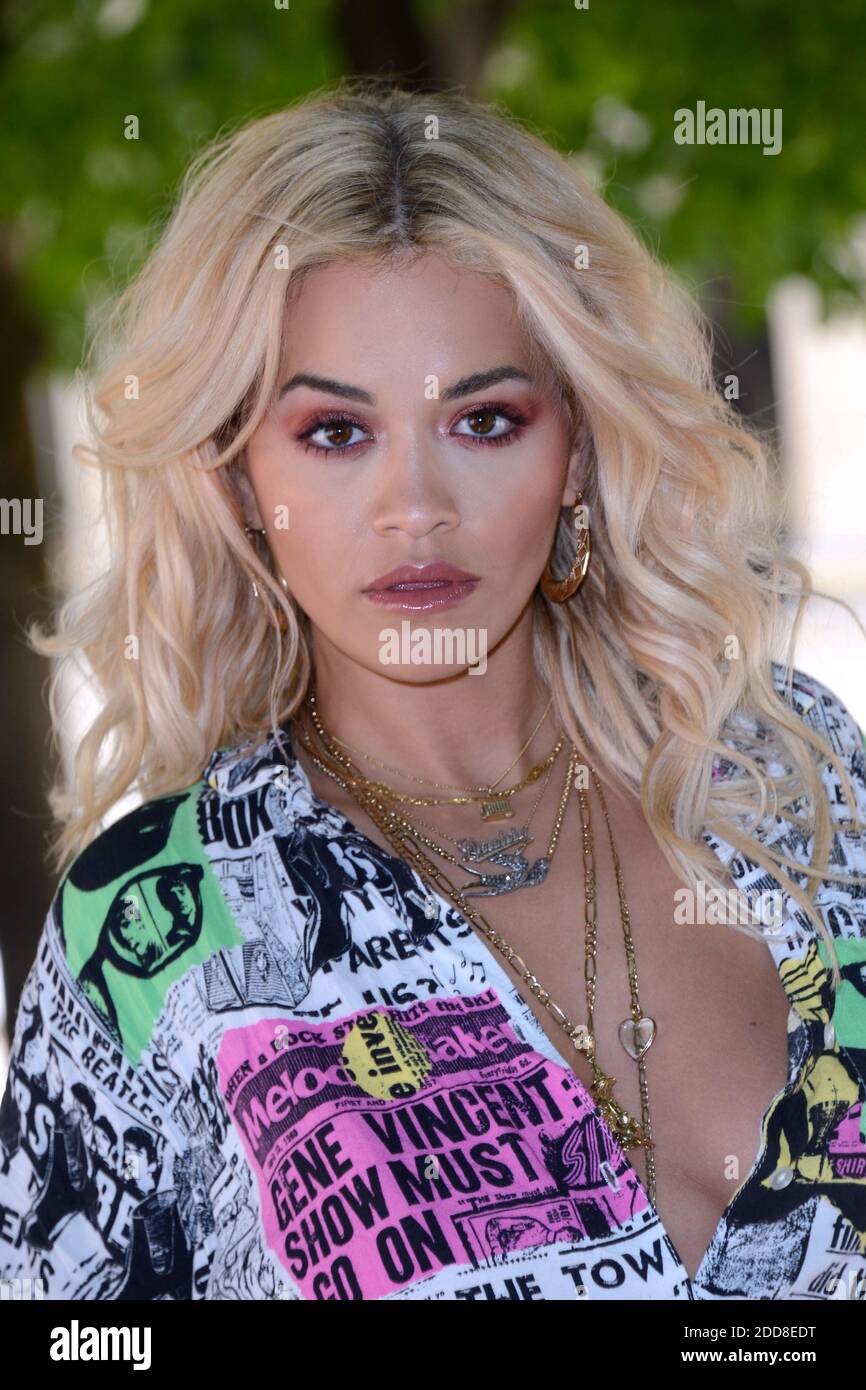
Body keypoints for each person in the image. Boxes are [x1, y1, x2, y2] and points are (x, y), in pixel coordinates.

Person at [1, 78, 864, 1303]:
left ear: (577, 445)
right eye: (336, 434)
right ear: (239, 478)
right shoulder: (160, 924)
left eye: (485, 419)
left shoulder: (794, 772)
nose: (416, 507)